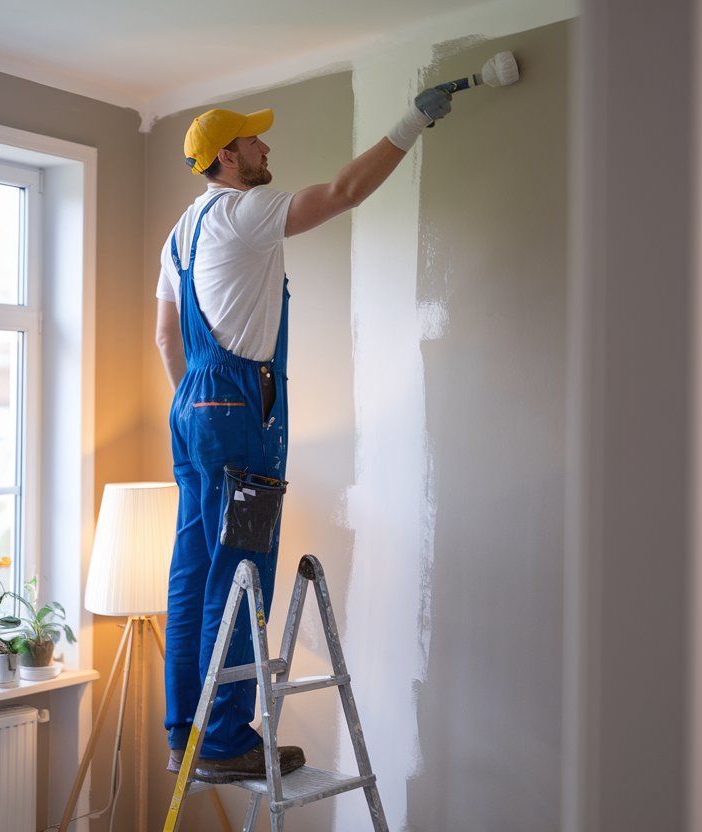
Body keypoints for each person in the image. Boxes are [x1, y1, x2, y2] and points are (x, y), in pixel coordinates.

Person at [156, 88, 453, 782]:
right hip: (233, 416)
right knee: (238, 578)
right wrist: (413, 120)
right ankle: (225, 741)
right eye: (254, 142)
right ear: (227, 156)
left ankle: (187, 733)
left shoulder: (180, 231)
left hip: (192, 408)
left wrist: (198, 407)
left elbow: (166, 335)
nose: (266, 149)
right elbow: (345, 191)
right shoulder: (247, 208)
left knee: (193, 571)